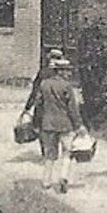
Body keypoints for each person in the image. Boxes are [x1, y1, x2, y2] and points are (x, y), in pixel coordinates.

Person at [34, 53, 85, 193]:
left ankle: (46, 181)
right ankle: (63, 177)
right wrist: (79, 125)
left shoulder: (44, 84)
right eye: (67, 70)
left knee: (49, 154)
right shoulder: (67, 87)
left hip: (47, 124)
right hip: (65, 124)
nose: (69, 73)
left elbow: (38, 105)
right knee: (67, 152)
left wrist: (36, 123)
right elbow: (72, 109)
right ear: (60, 71)